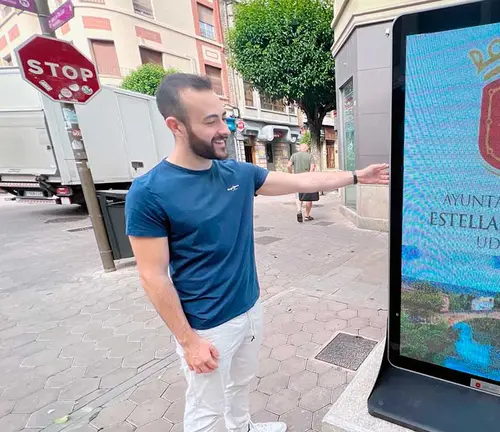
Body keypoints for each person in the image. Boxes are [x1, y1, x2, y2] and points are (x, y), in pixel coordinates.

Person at [125, 73, 389, 432]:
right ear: (176, 126)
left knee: (240, 385)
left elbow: (303, 181)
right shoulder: (149, 192)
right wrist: (189, 342)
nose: (225, 129)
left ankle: (243, 428)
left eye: (224, 117)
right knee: (205, 410)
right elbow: (152, 275)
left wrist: (357, 176)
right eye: (210, 121)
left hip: (250, 308)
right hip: (207, 326)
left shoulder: (236, 172)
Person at [287, 143, 318, 222]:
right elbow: (312, 167)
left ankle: (299, 210)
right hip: (307, 179)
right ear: (306, 148)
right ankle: (307, 215)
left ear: (300, 148)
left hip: (297, 179)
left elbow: (288, 165)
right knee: (308, 198)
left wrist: (291, 174)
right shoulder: (310, 156)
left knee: (298, 196)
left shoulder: (294, 155)